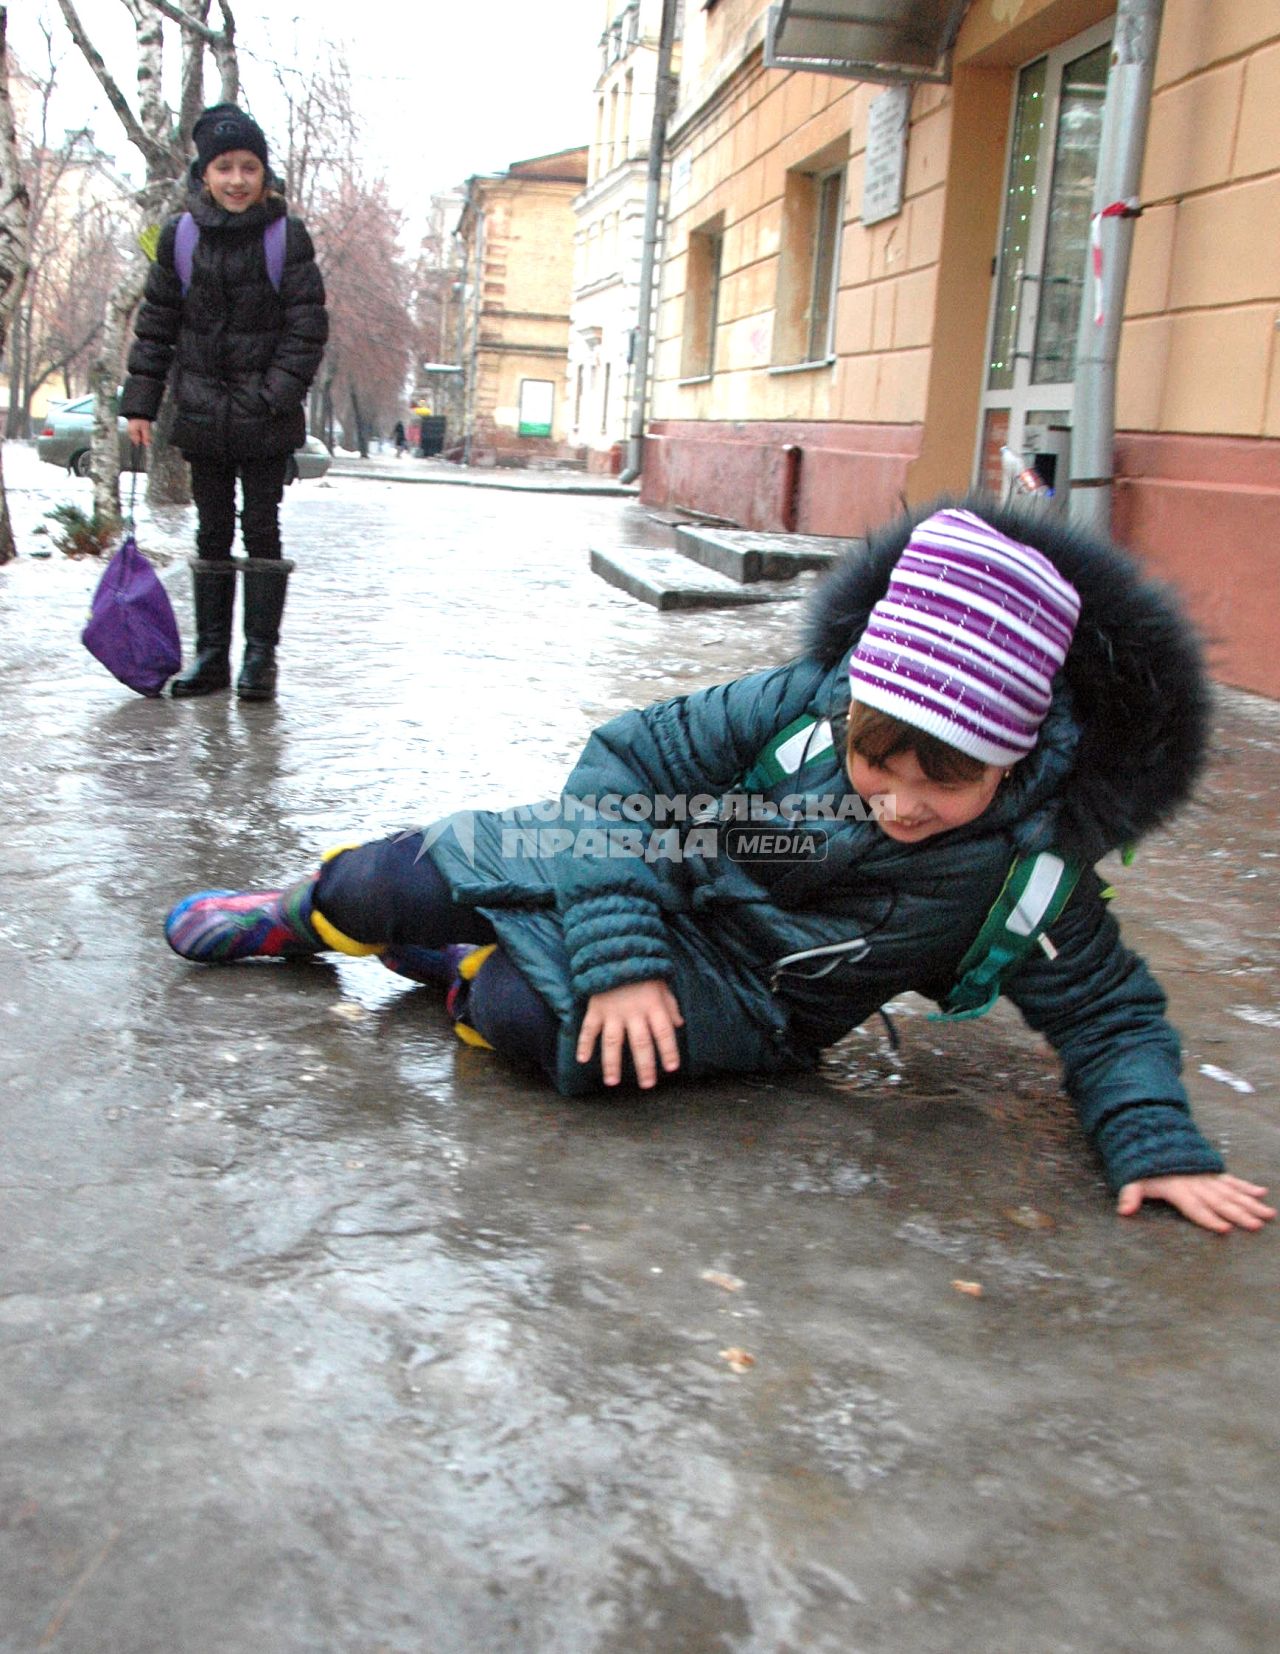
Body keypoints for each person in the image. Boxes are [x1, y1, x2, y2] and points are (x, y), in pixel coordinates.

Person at [161, 501, 1273, 1235]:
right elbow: (621, 767)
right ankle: (308, 913)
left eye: (941, 784)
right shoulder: (798, 708)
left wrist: (1155, 1140)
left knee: (531, 1019)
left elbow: (1107, 1013)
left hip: (746, 998)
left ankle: (462, 968)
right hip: (644, 860)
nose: (895, 802)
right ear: (849, 697)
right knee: (399, 876)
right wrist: (620, 950)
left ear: (1017, 754)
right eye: (871, 761)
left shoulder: (1029, 878)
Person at [121, 104, 328, 701]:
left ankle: (259, 661)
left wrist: (274, 395)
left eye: (249, 167)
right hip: (203, 415)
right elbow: (156, 325)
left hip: (266, 418)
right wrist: (142, 404)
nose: (237, 179)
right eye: (224, 167)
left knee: (261, 530)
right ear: (204, 173)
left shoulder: (285, 236)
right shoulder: (179, 237)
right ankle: (211, 658)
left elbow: (306, 329)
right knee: (211, 533)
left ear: (264, 174)